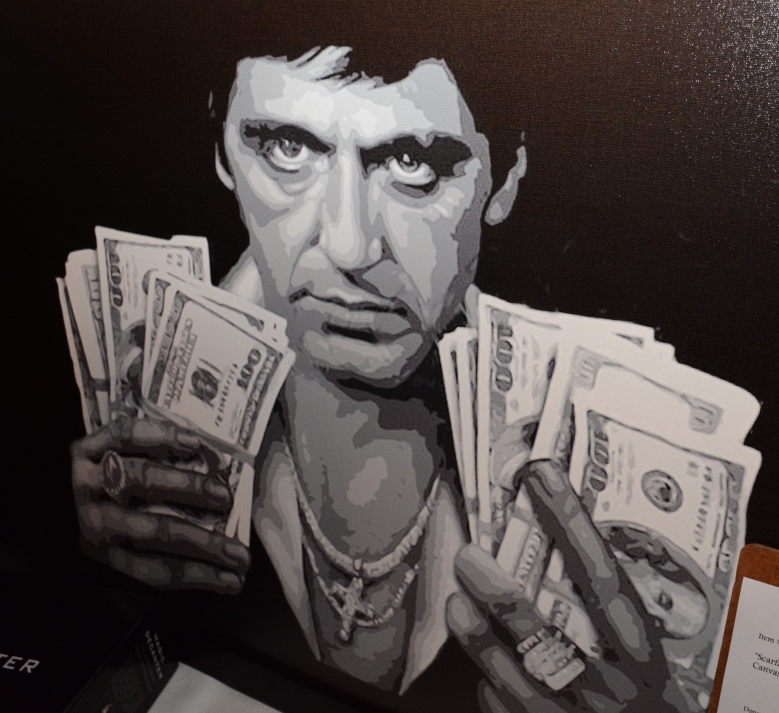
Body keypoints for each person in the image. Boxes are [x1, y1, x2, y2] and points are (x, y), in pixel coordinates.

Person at [71, 46, 686, 710]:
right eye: (286, 148)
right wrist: (95, 587)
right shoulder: (147, 423)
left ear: (504, 179)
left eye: (413, 163)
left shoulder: (616, 484)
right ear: (223, 157)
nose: (349, 247)